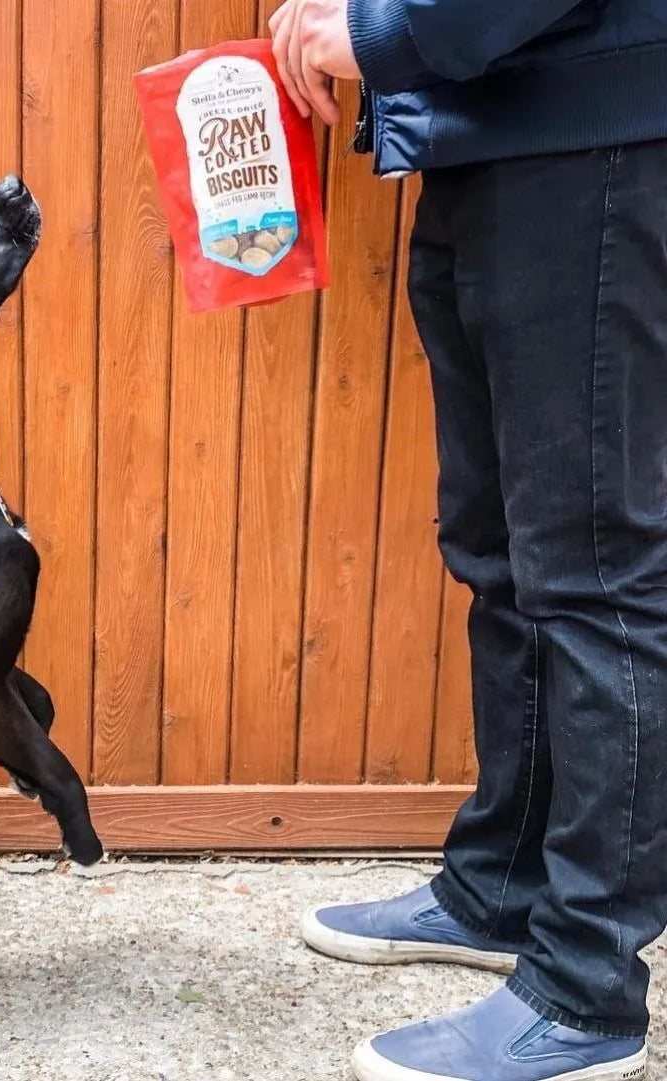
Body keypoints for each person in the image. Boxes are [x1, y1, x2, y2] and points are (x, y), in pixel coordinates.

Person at [269, 2, 667, 1080]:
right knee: (501, 557)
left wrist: (382, 33)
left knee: (596, 578)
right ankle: (501, 885)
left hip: (594, 141)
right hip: (493, 135)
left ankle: (586, 993)